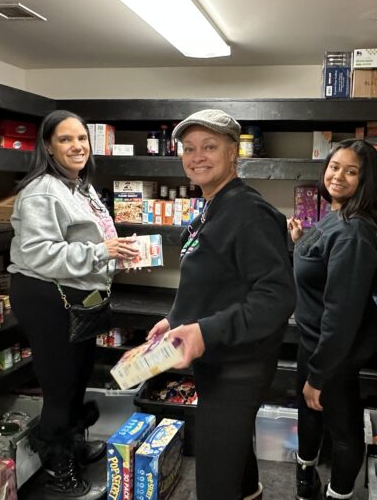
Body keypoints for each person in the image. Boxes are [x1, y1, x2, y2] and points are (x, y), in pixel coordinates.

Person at [147, 109, 295, 500]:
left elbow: (276, 297)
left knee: (214, 480)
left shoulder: (249, 213)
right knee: (234, 458)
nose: (197, 156)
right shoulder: (214, 205)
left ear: (234, 154)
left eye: (210, 147)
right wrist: (175, 320)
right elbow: (215, 282)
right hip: (218, 361)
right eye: (189, 148)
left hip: (238, 367)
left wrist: (204, 331)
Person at [8, 110, 139, 498]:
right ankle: (56, 465)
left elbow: (85, 241)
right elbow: (39, 254)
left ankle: (72, 445)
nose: (77, 146)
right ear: (47, 146)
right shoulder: (41, 191)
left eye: (81, 138)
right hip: (47, 296)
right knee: (60, 383)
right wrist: (101, 252)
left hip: (75, 294)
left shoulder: (79, 186)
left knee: (80, 373)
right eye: (65, 139)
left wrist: (115, 256)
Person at [288, 140, 377, 500]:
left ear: (366, 180)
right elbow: (320, 262)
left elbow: (341, 314)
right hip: (312, 341)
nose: (338, 175)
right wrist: (300, 242)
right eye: (334, 166)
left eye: (351, 171)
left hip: (334, 352)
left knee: (343, 430)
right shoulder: (335, 215)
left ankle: (338, 494)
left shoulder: (354, 232)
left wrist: (320, 374)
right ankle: (306, 480)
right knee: (307, 412)